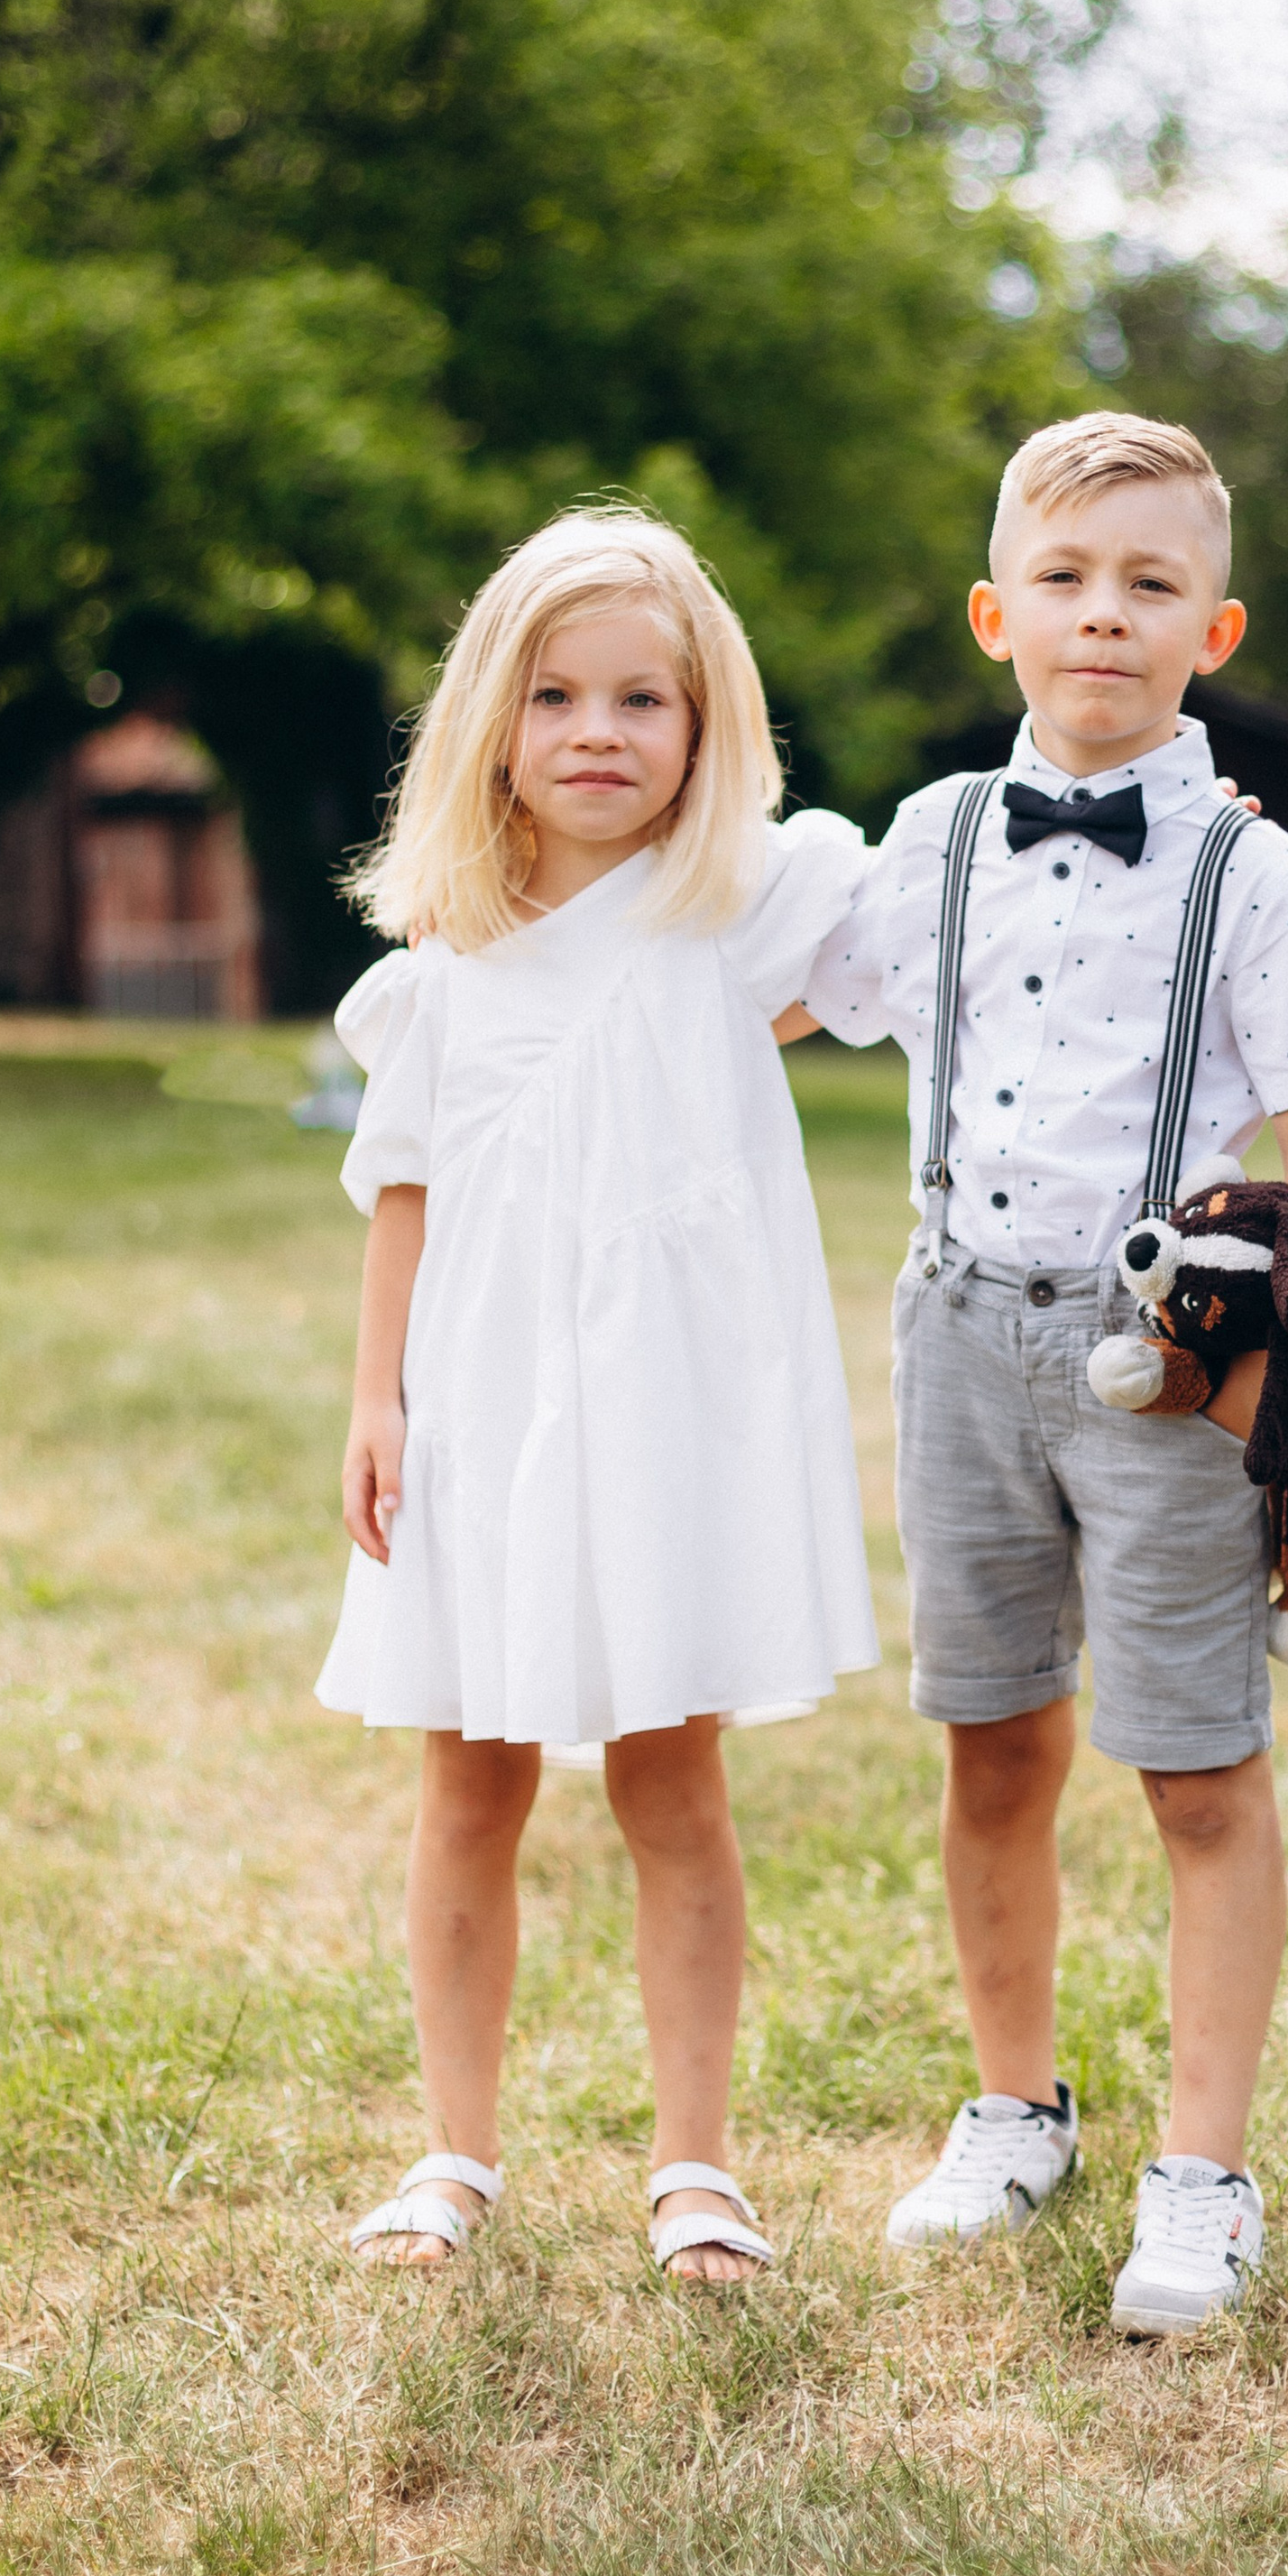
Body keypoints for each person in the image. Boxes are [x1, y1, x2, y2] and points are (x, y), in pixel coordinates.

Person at [795, 413, 1288, 2336]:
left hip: (1163, 1365)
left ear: (1209, 630)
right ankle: (1010, 2105)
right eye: (1063, 579)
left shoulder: (1251, 869)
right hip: (957, 1328)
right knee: (990, 1737)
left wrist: (1270, 1373)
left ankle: (1201, 2176)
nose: (1102, 617)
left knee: (1195, 1762)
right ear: (996, 614)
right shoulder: (927, 844)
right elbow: (789, 994)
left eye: (1148, 585)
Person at [317, 510, 877, 2283]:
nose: (597, 731)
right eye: (554, 694)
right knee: (464, 1784)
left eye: (645, 697)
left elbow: (956, 898)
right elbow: (403, 1194)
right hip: (478, 1411)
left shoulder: (737, 918)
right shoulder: (440, 970)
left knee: (671, 1783)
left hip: (666, 1417)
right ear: (490, 717)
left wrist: (1188, 854)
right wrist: (377, 1402)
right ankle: (453, 2148)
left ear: (705, 727)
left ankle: (693, 2164)